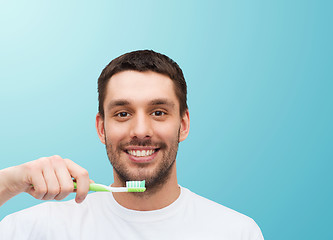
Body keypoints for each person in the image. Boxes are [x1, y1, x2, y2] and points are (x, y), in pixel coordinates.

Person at [0, 50, 264, 239]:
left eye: (158, 112)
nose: (140, 131)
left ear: (183, 124)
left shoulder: (236, 231)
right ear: (102, 128)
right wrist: (9, 183)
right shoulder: (36, 229)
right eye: (123, 114)